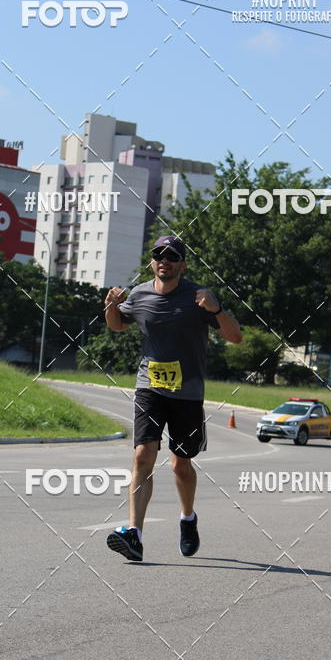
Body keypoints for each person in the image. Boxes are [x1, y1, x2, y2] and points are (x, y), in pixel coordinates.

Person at [103, 235, 242, 562]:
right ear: (152, 261)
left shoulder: (198, 297)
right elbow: (117, 326)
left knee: (181, 464)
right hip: (149, 387)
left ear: (183, 263)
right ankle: (134, 534)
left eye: (172, 255)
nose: (164, 259)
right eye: (158, 255)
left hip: (188, 393)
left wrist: (217, 308)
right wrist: (110, 304)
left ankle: (188, 517)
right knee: (143, 455)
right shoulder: (138, 294)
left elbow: (236, 336)